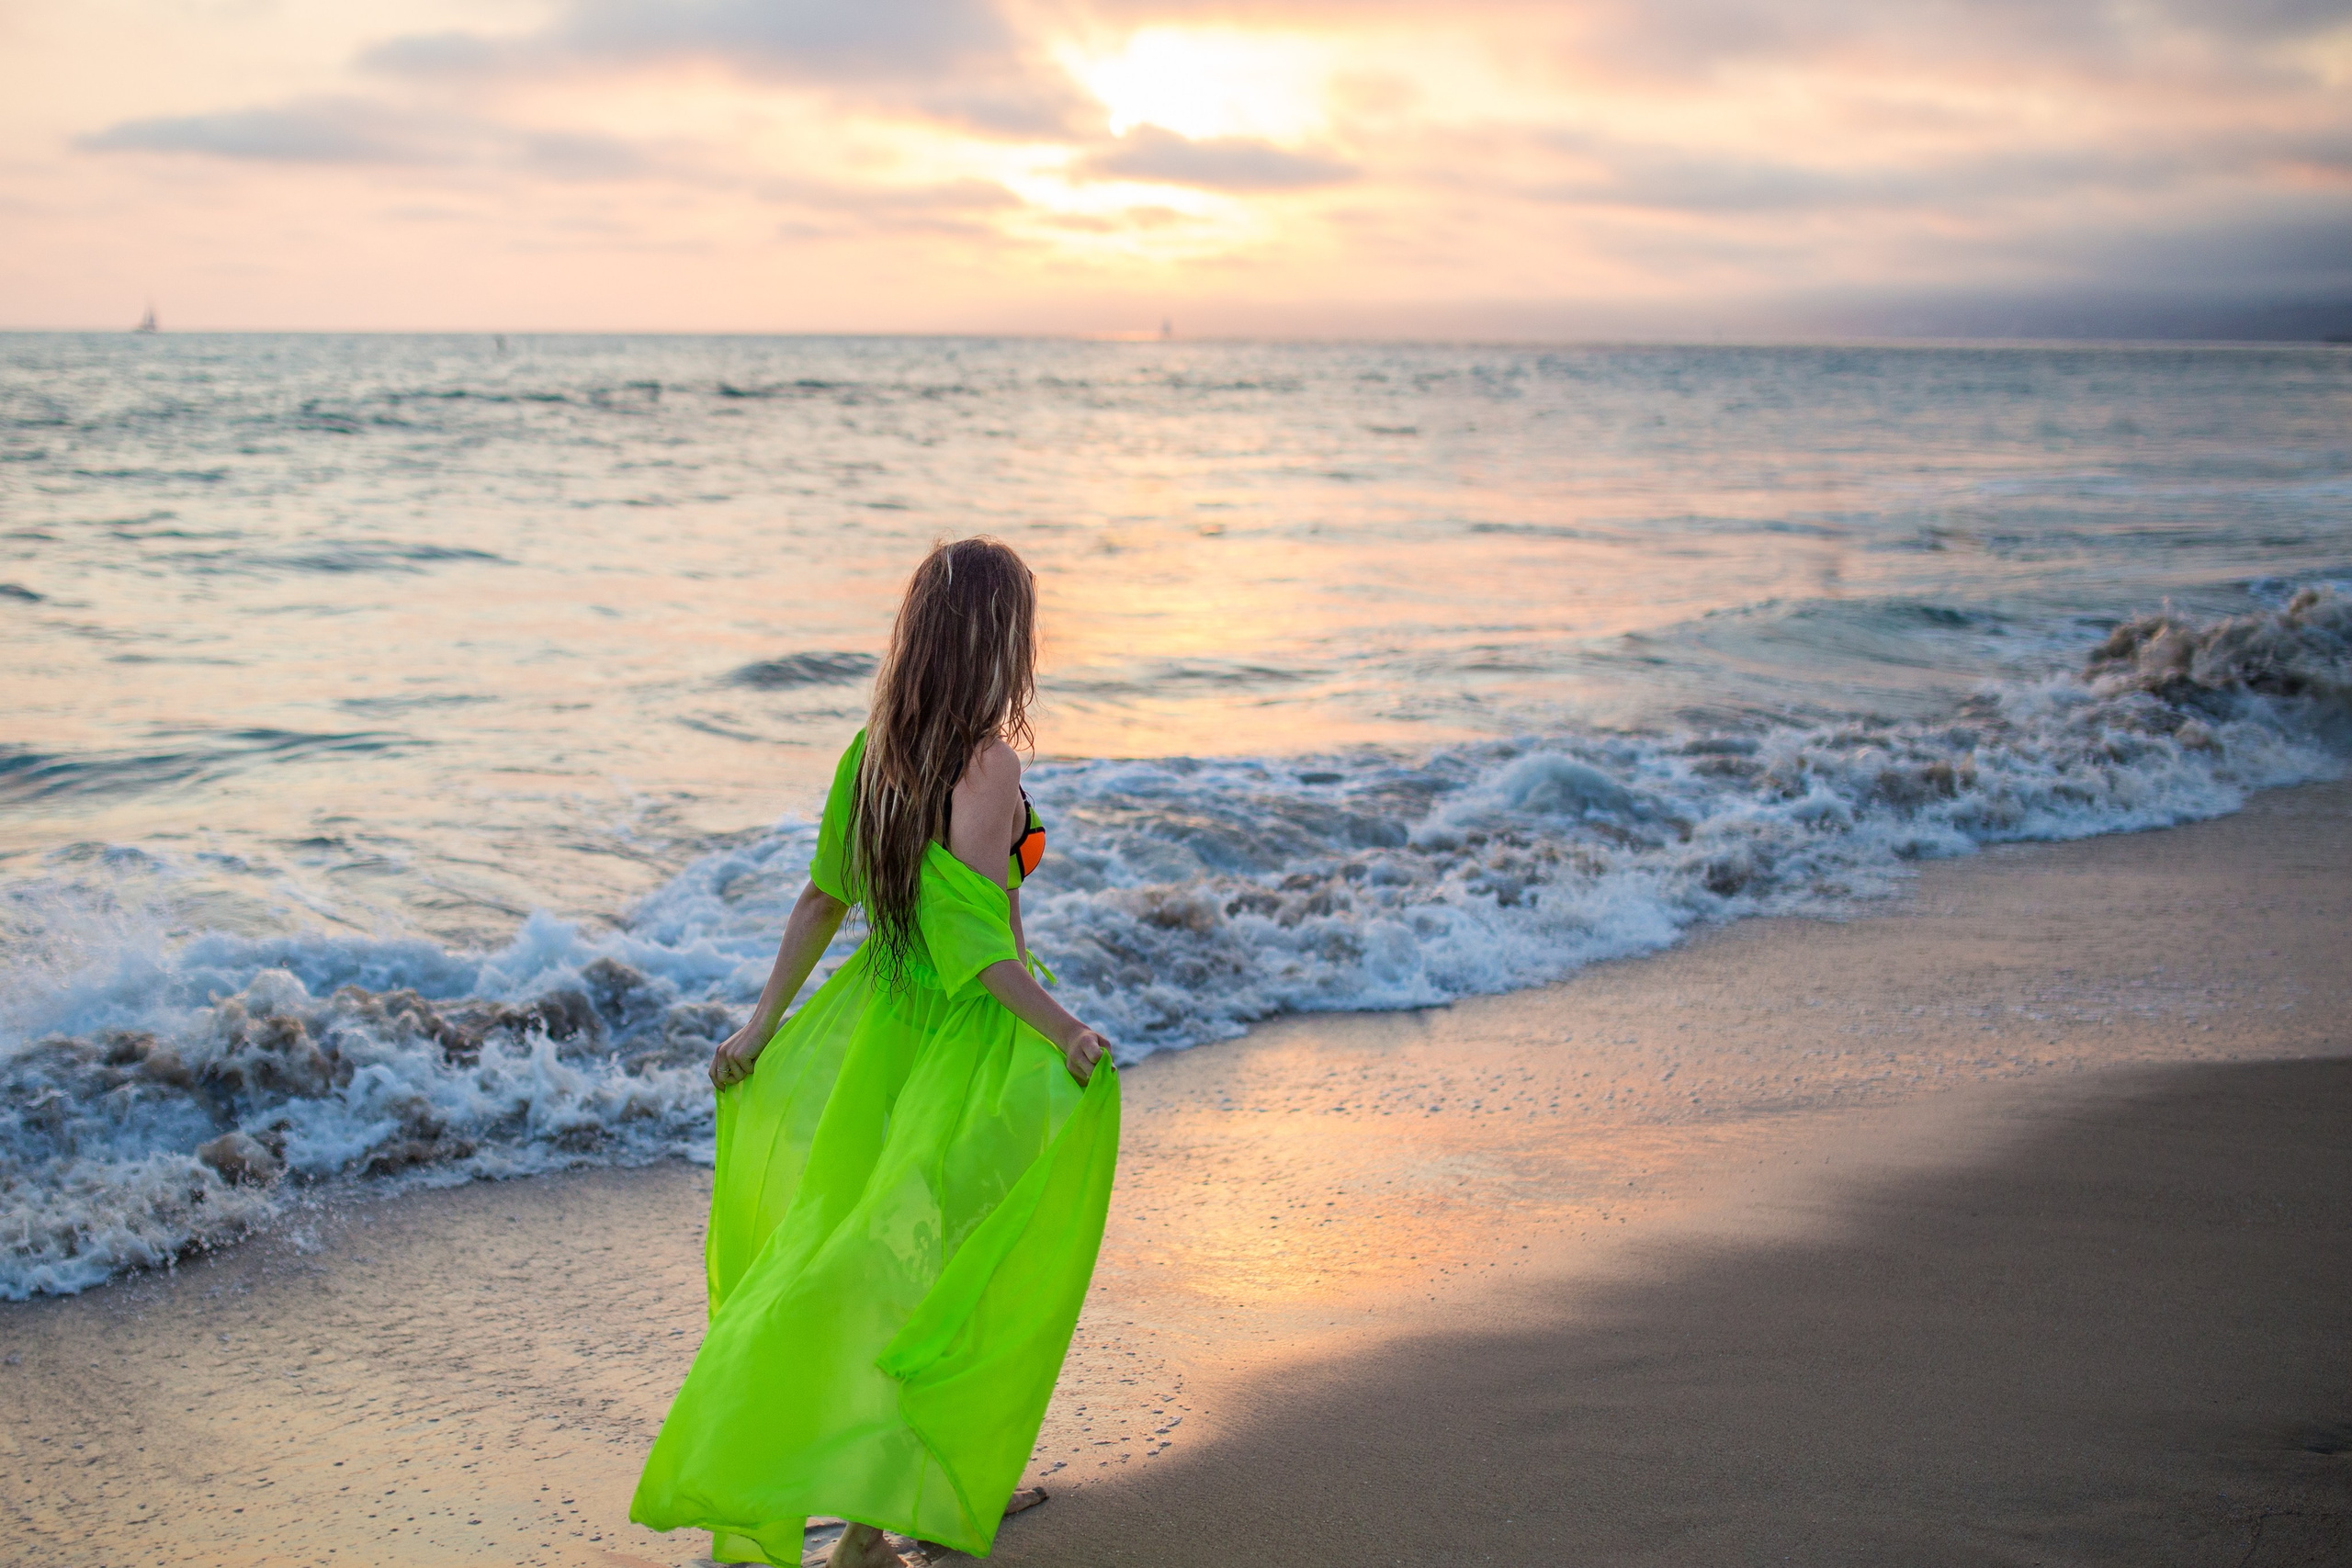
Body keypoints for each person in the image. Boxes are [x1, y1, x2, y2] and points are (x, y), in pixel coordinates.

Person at [630, 537, 1121, 1567]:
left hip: (875, 1027)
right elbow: (979, 945)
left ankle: (897, 1498)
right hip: (965, 1033)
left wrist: (759, 1029)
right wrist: (1062, 1030)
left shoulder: (871, 756)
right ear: (999, 641)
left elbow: (824, 898)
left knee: (872, 1250)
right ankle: (898, 1502)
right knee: (954, 1256)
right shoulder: (987, 765)